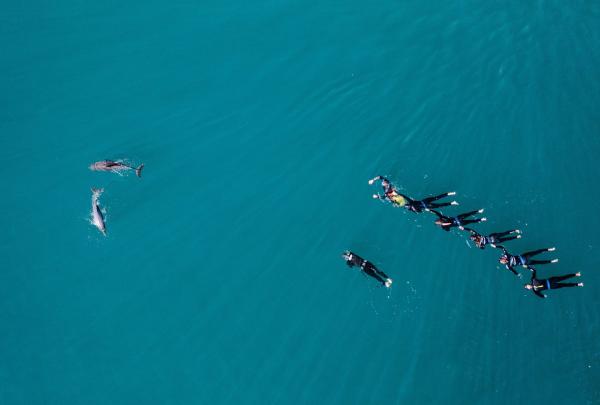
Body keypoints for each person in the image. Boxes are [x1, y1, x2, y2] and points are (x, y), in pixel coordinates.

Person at [368, 176, 458, 212]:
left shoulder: (389, 190)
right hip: (424, 205)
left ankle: (449, 196)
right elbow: (417, 210)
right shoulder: (410, 205)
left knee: (436, 200)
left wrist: (378, 196)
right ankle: (450, 200)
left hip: (423, 203)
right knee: (437, 203)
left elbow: (404, 198)